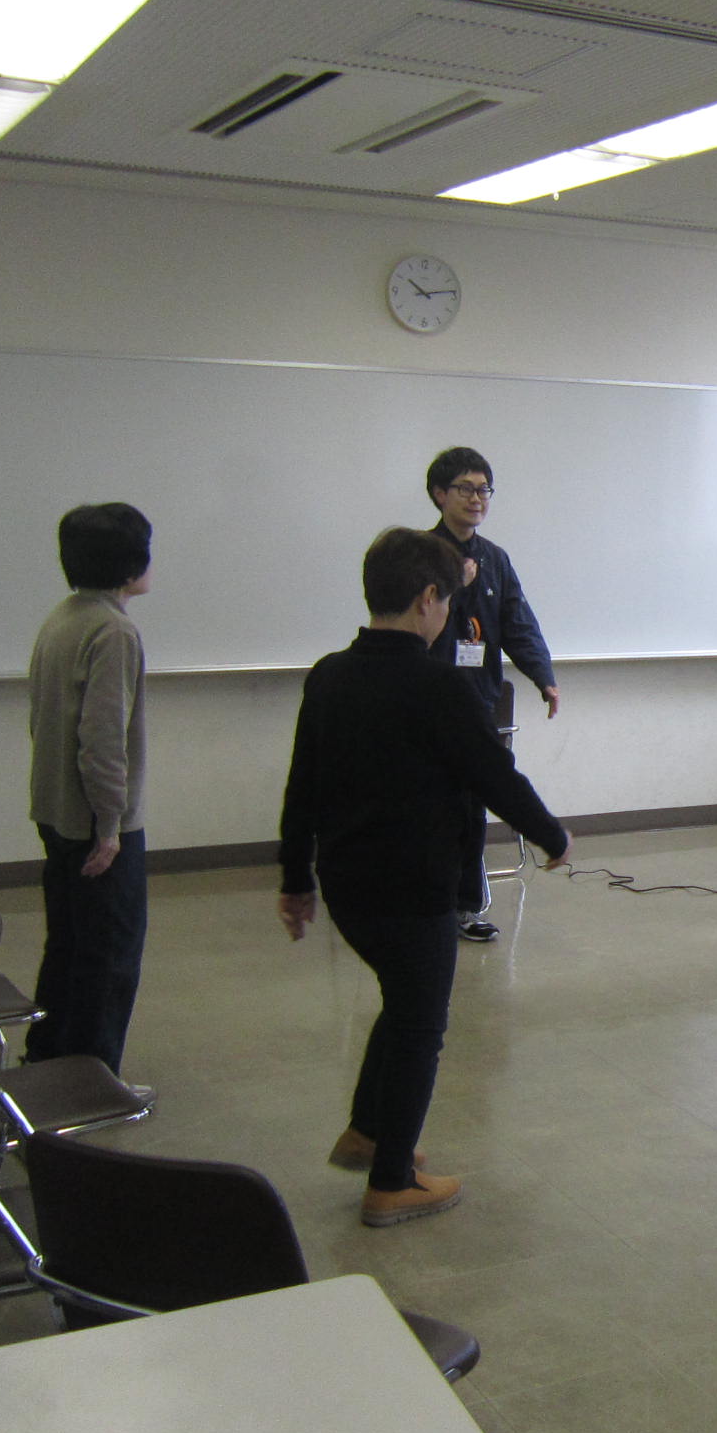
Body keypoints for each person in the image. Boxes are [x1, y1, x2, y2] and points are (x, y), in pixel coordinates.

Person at [277, 527, 572, 1228]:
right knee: (420, 1026)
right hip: (413, 891)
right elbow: (494, 775)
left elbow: (302, 784)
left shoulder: (329, 674)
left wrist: (295, 880)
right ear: (429, 599)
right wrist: (551, 835)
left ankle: (367, 1131)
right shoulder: (439, 686)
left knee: (402, 1001)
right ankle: (391, 1182)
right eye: (447, 603)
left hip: (348, 886)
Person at [25, 502, 153, 1074]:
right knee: (109, 958)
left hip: (54, 811)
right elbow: (102, 740)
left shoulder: (63, 618)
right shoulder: (113, 630)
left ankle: (48, 1059)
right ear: (131, 563)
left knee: (68, 945)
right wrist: (109, 825)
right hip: (94, 823)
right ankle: (92, 1084)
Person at [426, 446, 559, 943]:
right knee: (429, 804)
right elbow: (409, 618)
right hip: (426, 698)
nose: (477, 498)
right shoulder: (420, 555)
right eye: (465, 488)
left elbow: (518, 622)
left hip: (477, 698)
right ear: (439, 494)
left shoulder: (495, 559)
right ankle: (427, 903)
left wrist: (544, 676)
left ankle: (465, 907)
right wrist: (452, 583)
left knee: (471, 804)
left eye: (484, 489)